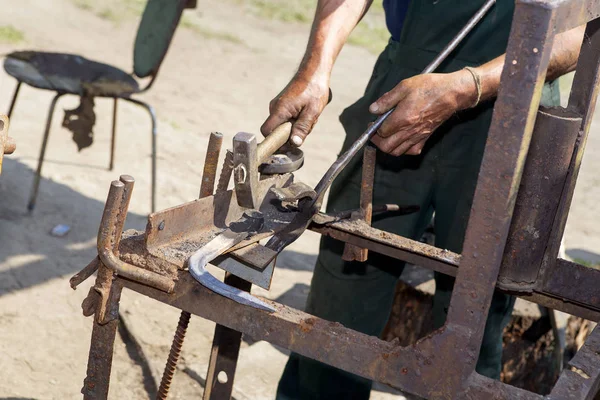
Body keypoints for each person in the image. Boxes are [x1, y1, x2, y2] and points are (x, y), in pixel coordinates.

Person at [260, 1, 585, 398]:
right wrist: (315, 71)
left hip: (514, 102)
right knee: (338, 305)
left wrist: (467, 87)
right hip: (404, 85)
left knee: (471, 327)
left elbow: (579, 33)